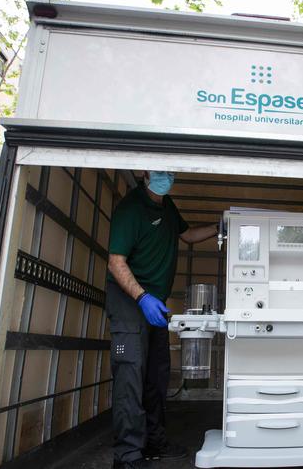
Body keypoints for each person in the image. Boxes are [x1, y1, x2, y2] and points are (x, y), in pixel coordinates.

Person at [106, 171, 218, 469]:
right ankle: (127, 455)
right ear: (144, 173)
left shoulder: (167, 205)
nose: (165, 177)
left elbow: (188, 235)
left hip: (154, 306)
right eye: (159, 172)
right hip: (131, 302)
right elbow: (116, 261)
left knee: (156, 375)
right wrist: (142, 297)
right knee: (130, 376)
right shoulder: (131, 209)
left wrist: (221, 226)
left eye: (170, 172)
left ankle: (154, 441)